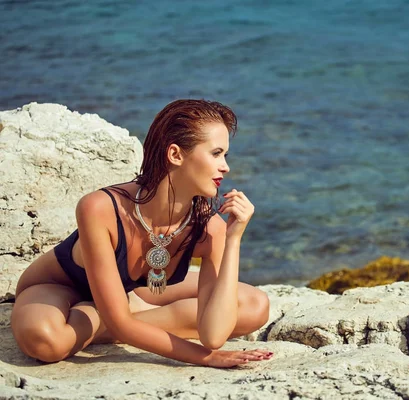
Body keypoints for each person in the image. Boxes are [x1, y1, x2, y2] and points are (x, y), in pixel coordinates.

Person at [10, 99, 272, 368]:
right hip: (60, 287)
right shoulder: (100, 208)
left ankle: (105, 320)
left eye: (225, 156)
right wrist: (206, 358)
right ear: (175, 155)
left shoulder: (209, 228)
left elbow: (214, 335)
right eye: (216, 153)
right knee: (45, 341)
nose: (225, 167)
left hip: (133, 292)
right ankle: (113, 317)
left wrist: (234, 238)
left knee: (254, 306)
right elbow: (211, 348)